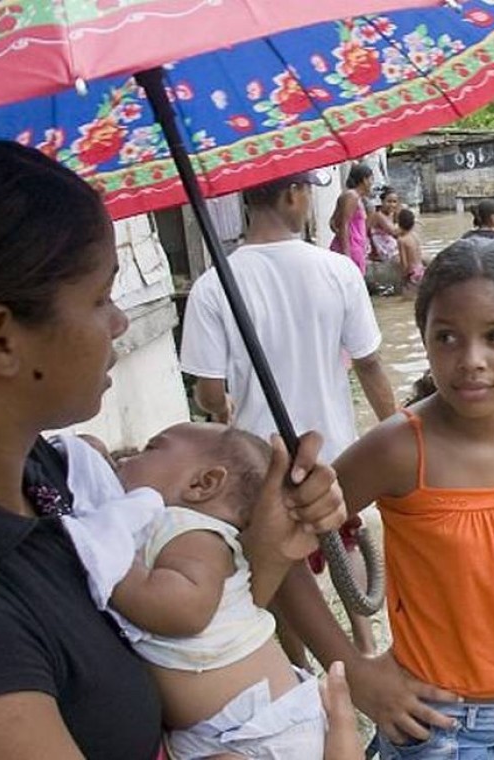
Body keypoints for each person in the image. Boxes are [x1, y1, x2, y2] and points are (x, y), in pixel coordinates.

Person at [0, 136, 351, 759]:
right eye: (99, 297)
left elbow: (187, 645)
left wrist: (267, 547)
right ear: (3, 339)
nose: (119, 322)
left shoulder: (55, 478)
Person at [331, 239, 494, 758]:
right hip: (439, 719)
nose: (471, 360)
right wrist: (356, 671)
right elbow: (285, 542)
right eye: (447, 338)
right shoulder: (398, 449)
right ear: (424, 339)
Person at [180, 170, 395, 660]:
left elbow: (209, 391)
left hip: (259, 468)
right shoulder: (338, 271)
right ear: (294, 194)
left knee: (279, 575)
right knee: (348, 556)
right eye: (307, 193)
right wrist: (403, 434)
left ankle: (297, 666)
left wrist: (224, 407)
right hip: (336, 457)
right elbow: (370, 365)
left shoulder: (214, 286)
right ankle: (366, 649)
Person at [61, 424, 329, 759]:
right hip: (227, 732)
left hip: (261, 732)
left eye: (150, 448)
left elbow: (187, 611)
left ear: (203, 484)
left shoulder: (193, 533)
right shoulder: (158, 527)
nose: (127, 456)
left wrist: (110, 563)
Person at [330, 163, 375, 275]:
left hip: (355, 247)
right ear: (364, 180)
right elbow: (343, 223)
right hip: (352, 249)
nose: (372, 183)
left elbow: (333, 223)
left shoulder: (354, 197)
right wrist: (346, 252)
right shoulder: (352, 196)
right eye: (371, 179)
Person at [395, 208, 425, 294]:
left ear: (399, 223)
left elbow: (404, 263)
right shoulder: (415, 236)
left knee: (407, 297)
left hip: (411, 274)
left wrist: (403, 278)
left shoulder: (401, 240)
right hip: (421, 270)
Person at [369, 186, 401, 263]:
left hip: (392, 246)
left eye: (394, 202)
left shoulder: (392, 214)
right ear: (382, 201)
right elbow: (394, 232)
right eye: (389, 201)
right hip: (384, 250)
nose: (392, 205)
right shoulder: (378, 215)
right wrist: (410, 224)